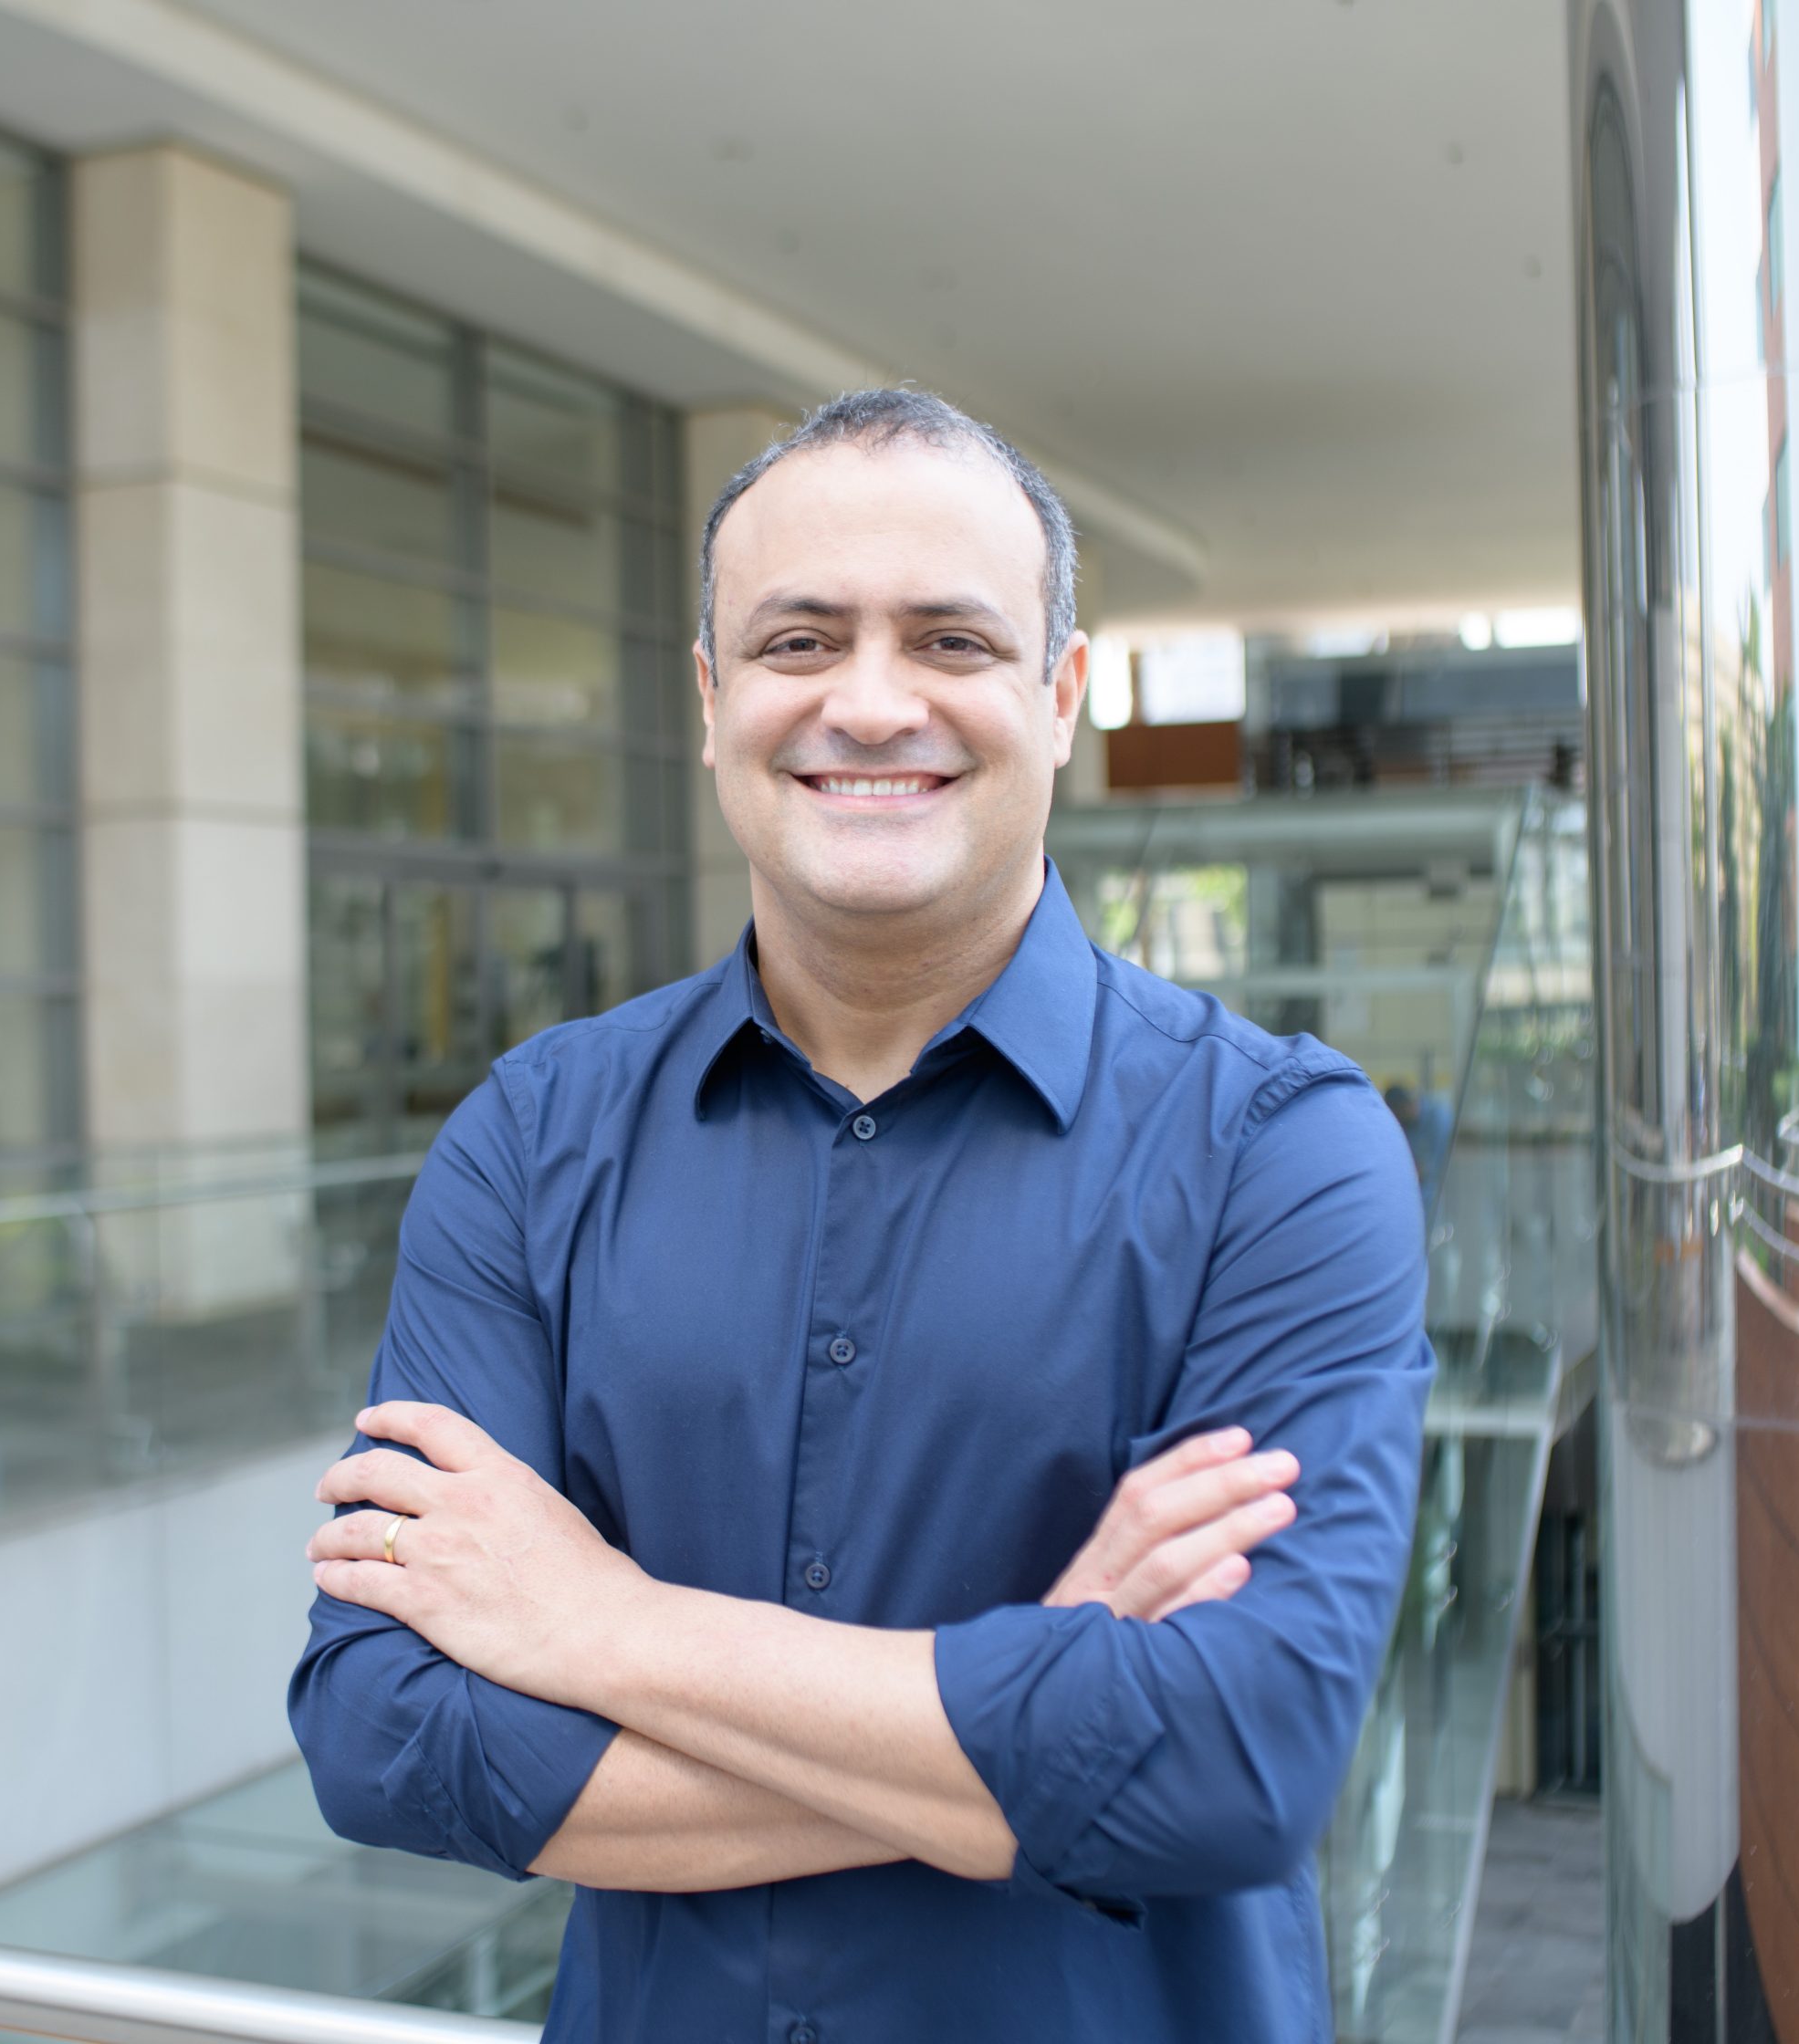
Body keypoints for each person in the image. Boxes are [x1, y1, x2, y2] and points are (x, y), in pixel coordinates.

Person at [287, 389, 1432, 2040]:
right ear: (711, 700)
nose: (873, 703)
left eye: (951, 641)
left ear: (1061, 696)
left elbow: (1227, 1763)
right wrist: (1042, 1697)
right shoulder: (530, 1144)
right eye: (800, 641)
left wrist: (605, 1627)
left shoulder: (1279, 1154)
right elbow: (384, 1735)